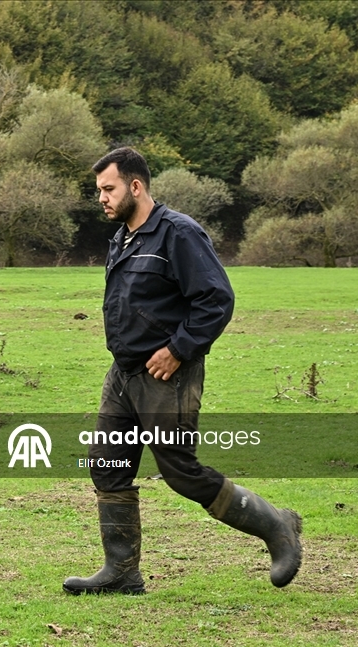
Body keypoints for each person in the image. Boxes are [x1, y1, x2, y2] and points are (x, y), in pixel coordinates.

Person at [63, 147, 302, 595]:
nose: (102, 198)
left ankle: (277, 527)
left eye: (108, 189)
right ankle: (122, 571)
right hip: (124, 372)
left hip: (166, 374)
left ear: (136, 186)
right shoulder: (123, 238)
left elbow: (216, 300)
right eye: (99, 191)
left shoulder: (178, 233)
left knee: (180, 471)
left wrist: (177, 350)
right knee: (107, 465)